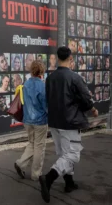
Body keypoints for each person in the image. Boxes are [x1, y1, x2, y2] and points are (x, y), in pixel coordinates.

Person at [39, 47, 98, 203]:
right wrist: (92, 109)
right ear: (70, 58)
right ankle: (48, 178)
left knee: (63, 153)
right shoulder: (74, 77)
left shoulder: (50, 78)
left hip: (54, 121)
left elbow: (48, 99)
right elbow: (85, 99)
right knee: (72, 154)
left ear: (58, 58)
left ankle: (69, 183)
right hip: (70, 122)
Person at [14, 60, 48, 181]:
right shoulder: (42, 86)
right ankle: (36, 174)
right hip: (40, 121)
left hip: (27, 120)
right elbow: (46, 106)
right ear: (42, 71)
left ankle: (20, 163)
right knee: (39, 147)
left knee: (31, 143)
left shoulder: (26, 84)